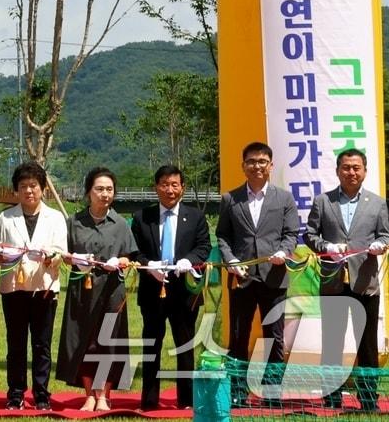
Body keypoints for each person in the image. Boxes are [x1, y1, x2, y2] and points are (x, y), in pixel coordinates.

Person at [215, 141, 299, 407]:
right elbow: (223, 236)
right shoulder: (230, 199)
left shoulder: (284, 198)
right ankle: (238, 391)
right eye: (251, 161)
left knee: (274, 336)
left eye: (262, 161)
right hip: (241, 278)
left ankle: (271, 391)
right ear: (243, 166)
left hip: (274, 278)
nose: (257, 166)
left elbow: (291, 234)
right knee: (238, 334)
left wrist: (284, 252)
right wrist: (230, 260)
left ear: (271, 166)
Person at [305, 148, 389, 411]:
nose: (351, 172)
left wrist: (380, 244)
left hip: (365, 283)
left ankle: (367, 400)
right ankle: (331, 399)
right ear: (338, 170)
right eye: (346, 167)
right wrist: (326, 246)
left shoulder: (377, 203)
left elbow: (385, 236)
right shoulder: (323, 201)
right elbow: (309, 235)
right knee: (332, 342)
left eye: (356, 167)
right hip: (332, 282)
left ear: (364, 170)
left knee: (366, 344)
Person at [131, 164, 211, 411]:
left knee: (185, 345)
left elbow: (204, 247)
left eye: (175, 184)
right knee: (151, 345)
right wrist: (148, 265)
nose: (170, 190)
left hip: (184, 292)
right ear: (156, 187)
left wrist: (189, 260)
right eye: (164, 184)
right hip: (152, 291)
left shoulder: (195, 216)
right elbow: (135, 251)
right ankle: (150, 400)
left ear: (183, 188)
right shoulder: (142, 217)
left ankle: (186, 400)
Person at [57, 166, 137, 411]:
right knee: (85, 341)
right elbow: (64, 255)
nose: (105, 194)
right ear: (88, 192)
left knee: (108, 342)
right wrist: (76, 259)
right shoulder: (74, 222)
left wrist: (120, 262)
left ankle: (105, 394)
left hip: (112, 291)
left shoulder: (121, 223)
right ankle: (90, 393)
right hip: (83, 289)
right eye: (99, 189)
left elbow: (129, 257)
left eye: (109, 189)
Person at [0, 162, 67, 411]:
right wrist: (0, 254)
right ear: (16, 190)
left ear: (43, 188)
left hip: (44, 287)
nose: (29, 191)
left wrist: (52, 256)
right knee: (16, 344)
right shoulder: (5, 217)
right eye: (23, 186)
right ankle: (15, 393)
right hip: (13, 288)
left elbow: (61, 251)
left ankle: (42, 393)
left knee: (42, 344)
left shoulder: (55, 217)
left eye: (33, 185)